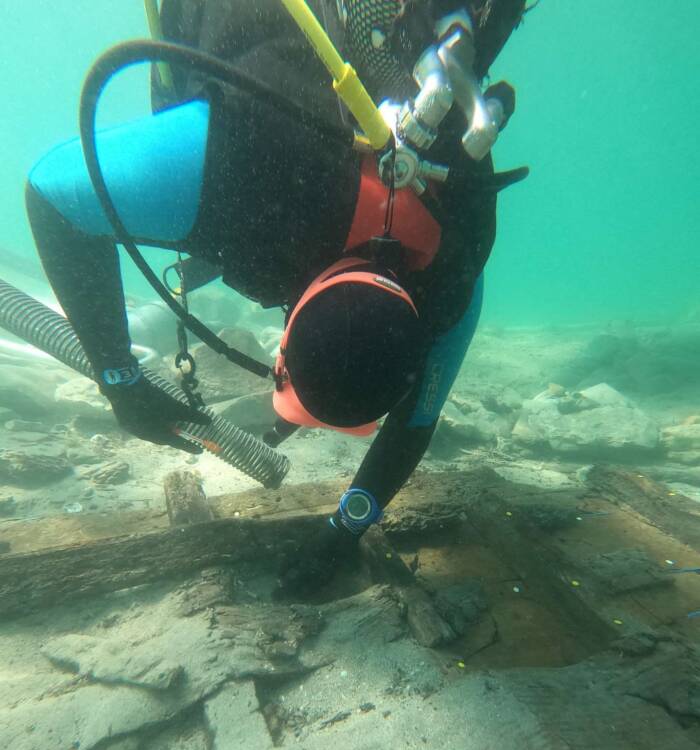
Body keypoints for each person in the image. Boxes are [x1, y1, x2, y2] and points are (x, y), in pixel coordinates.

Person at [25, 0, 529, 596]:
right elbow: (51, 193)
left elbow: (413, 427)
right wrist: (120, 381)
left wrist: (344, 531)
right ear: (284, 344)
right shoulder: (235, 169)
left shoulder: (453, 281)